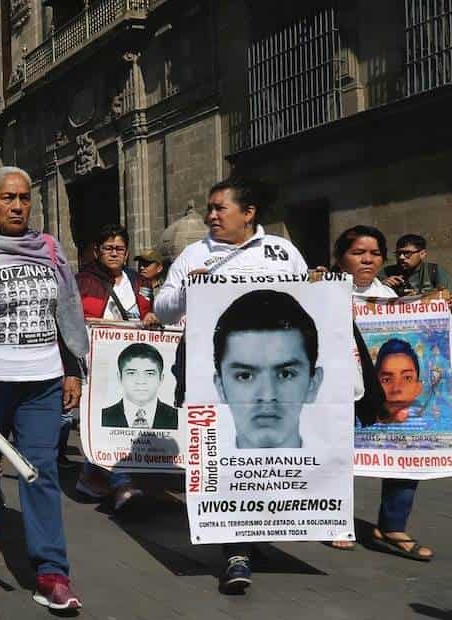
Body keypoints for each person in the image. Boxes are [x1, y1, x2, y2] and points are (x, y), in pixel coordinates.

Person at [153, 175, 306, 595]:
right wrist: (186, 288)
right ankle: (235, 550)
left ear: (248, 213)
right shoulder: (193, 254)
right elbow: (163, 310)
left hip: (272, 374)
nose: (211, 216)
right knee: (223, 454)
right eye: (210, 208)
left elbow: (307, 301)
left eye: (220, 208)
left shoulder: (282, 252)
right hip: (210, 373)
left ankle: (254, 534)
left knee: (263, 453)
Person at [0, 166, 87, 610]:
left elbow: (65, 313)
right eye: (8, 198)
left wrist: (71, 369)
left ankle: (51, 572)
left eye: (24, 198)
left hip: (42, 382)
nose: (17, 206)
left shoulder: (48, 250)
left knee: (39, 469)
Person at [331, 225, 452, 560]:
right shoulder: (324, 291)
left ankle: (391, 526)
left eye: (375, 253)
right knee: (336, 454)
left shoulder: (390, 299)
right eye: (358, 253)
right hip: (338, 388)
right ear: (340, 257)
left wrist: (447, 307)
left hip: (379, 391)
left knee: (405, 450)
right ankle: (334, 520)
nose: (368, 260)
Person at [73, 223, 157, 509]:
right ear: (97, 251)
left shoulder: (139, 283)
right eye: (108, 248)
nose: (113, 253)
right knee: (112, 421)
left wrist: (151, 318)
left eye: (119, 249)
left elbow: (150, 315)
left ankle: (90, 477)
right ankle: (122, 484)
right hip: (97, 364)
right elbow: (75, 320)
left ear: (127, 252)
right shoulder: (82, 281)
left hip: (131, 362)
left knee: (122, 422)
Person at [211, 290, 323, 449]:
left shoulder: (331, 468)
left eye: (285, 374)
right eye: (245, 376)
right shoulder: (207, 472)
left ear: (313, 383)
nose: (267, 396)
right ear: (220, 387)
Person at [101, 343, 178, 429]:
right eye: (131, 373)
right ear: (120, 378)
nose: (141, 381)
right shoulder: (102, 417)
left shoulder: (178, 418)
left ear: (161, 379)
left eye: (149, 374)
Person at [382, 234, 452, 296]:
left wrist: (418, 297)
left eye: (407, 253)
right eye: (398, 253)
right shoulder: (387, 273)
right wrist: (382, 285)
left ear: (422, 254)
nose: (401, 257)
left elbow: (446, 299)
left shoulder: (434, 271)